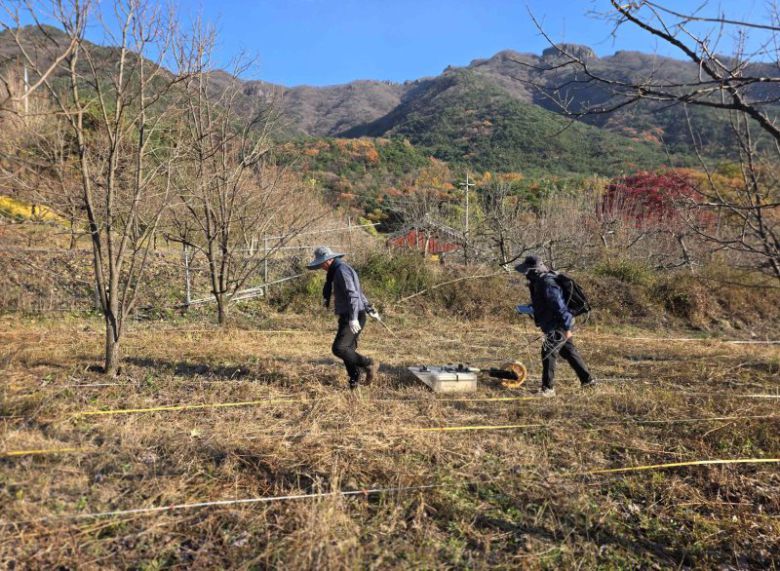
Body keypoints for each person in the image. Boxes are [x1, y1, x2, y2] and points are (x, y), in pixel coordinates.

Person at [514, 255, 595, 397]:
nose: (525, 273)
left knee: (548, 353)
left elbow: (559, 307)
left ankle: (548, 389)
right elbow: (544, 304)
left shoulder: (547, 282)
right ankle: (588, 381)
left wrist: (567, 328)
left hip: (559, 324)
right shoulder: (539, 281)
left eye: (527, 270)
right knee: (569, 352)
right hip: (554, 323)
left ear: (534, 270)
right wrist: (528, 308)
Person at [307, 246, 380, 390]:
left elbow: (353, 294)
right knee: (348, 351)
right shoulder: (338, 269)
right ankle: (354, 383)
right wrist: (368, 307)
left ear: (328, 260)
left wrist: (353, 318)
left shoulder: (341, 270)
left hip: (352, 315)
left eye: (321, 263)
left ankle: (368, 363)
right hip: (352, 313)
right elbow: (358, 292)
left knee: (339, 348)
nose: (321, 267)